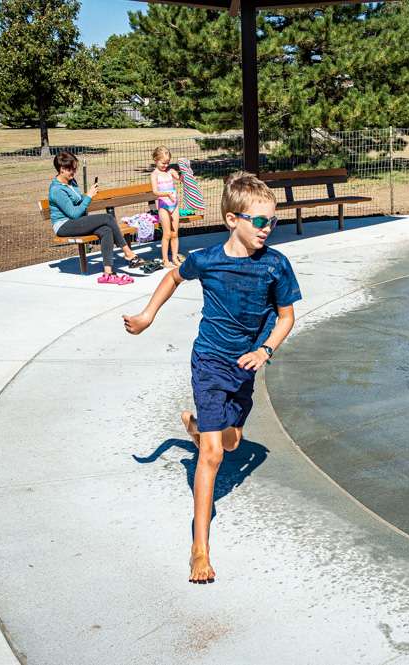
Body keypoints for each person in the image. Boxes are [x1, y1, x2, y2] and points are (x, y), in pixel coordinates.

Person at [123, 172, 300, 583]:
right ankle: (199, 550)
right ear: (232, 219)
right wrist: (147, 315)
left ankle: (195, 425)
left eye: (272, 221)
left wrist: (265, 349)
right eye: (259, 221)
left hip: (245, 367)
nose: (267, 229)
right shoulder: (208, 258)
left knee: (232, 442)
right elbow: (173, 276)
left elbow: (287, 315)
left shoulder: (276, 265)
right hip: (209, 361)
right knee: (214, 455)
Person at [49, 151, 146, 284]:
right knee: (107, 218)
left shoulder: (71, 182)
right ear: (62, 169)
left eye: (75, 168)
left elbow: (77, 201)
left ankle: (108, 273)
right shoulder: (57, 190)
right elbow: (73, 213)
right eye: (71, 169)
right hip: (64, 225)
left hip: (76, 222)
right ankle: (128, 253)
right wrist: (88, 196)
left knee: (106, 229)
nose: (74, 172)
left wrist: (88, 195)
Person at [150, 146, 182, 268]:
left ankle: (174, 257)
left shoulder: (170, 171)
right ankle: (165, 259)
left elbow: (180, 178)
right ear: (155, 160)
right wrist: (167, 194)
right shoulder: (154, 175)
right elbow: (155, 192)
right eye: (163, 163)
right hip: (163, 205)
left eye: (167, 162)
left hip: (174, 205)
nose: (165, 165)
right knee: (167, 234)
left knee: (175, 233)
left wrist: (186, 177)